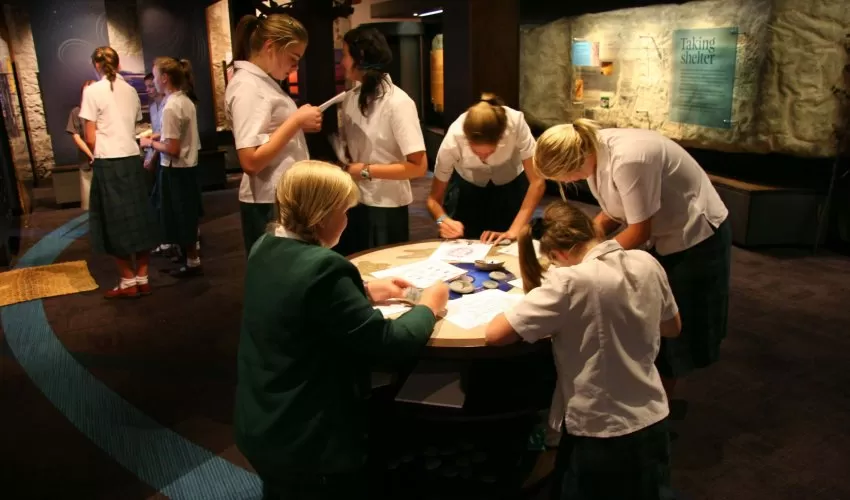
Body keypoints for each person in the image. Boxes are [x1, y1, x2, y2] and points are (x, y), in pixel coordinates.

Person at [235, 160, 449, 499]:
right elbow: (386, 342)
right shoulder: (325, 267)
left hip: (262, 418)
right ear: (322, 217)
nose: (348, 220)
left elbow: (299, 298)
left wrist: (365, 290)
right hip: (309, 438)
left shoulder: (266, 245)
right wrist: (429, 306)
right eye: (344, 211)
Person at [485, 200, 681, 500]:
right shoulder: (646, 262)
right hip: (652, 415)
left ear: (559, 254)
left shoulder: (569, 281)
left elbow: (496, 334)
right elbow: (672, 327)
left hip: (600, 427)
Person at [532, 120, 732, 402]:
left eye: (563, 178)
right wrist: (581, 242)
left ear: (574, 161)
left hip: (694, 235)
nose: (565, 183)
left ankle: (661, 409)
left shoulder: (630, 159)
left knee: (673, 328)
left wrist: (587, 259)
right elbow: (613, 211)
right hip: (660, 234)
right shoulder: (591, 150)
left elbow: (640, 230)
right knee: (649, 315)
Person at [225, 13, 322, 254]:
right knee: (278, 275)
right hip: (269, 200)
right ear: (270, 46)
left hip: (279, 196)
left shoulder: (261, 83)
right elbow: (250, 160)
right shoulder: (249, 86)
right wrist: (296, 120)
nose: (294, 67)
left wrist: (296, 124)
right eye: (293, 58)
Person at [334, 26, 427, 256]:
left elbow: (419, 167)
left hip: (386, 205)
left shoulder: (398, 102)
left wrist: (364, 170)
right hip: (353, 199)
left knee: (383, 269)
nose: (342, 62)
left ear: (360, 57)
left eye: (345, 55)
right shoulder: (350, 98)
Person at [80, 46, 160, 298]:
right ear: (118, 63)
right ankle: (143, 278)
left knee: (112, 221)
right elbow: (134, 123)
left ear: (96, 64)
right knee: (140, 217)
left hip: (108, 161)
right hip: (130, 159)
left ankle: (128, 281)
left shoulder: (91, 91)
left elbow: (90, 138)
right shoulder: (131, 91)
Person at [426, 93, 545, 243]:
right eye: (476, 153)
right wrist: (441, 220)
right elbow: (433, 199)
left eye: (490, 152)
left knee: (509, 244)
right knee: (461, 242)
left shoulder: (515, 124)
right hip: (467, 186)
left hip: (511, 183)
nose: (483, 158)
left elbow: (537, 182)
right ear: (466, 140)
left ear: (501, 137)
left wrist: (514, 230)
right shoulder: (453, 139)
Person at [140, 57, 202, 278]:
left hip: (176, 170)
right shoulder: (185, 100)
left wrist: (149, 143)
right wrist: (160, 135)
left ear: (165, 78)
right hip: (189, 168)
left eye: (155, 76)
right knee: (186, 215)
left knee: (180, 217)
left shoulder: (171, 106)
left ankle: (192, 261)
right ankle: (190, 258)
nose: (153, 81)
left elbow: (172, 148)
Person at [65, 79, 96, 210]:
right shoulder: (76, 112)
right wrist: (91, 155)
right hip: (87, 162)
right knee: (89, 201)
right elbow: (76, 136)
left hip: (105, 159)